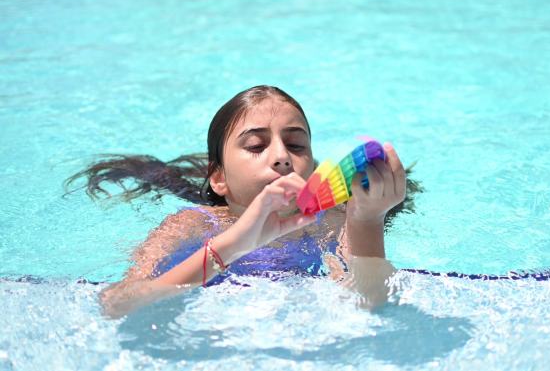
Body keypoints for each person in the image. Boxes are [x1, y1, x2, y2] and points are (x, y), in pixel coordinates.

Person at [67, 85, 416, 318]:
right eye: (255, 146)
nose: (281, 156)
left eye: (296, 145)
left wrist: (367, 220)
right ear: (218, 178)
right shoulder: (194, 225)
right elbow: (116, 303)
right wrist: (230, 247)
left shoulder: (331, 223)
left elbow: (368, 303)